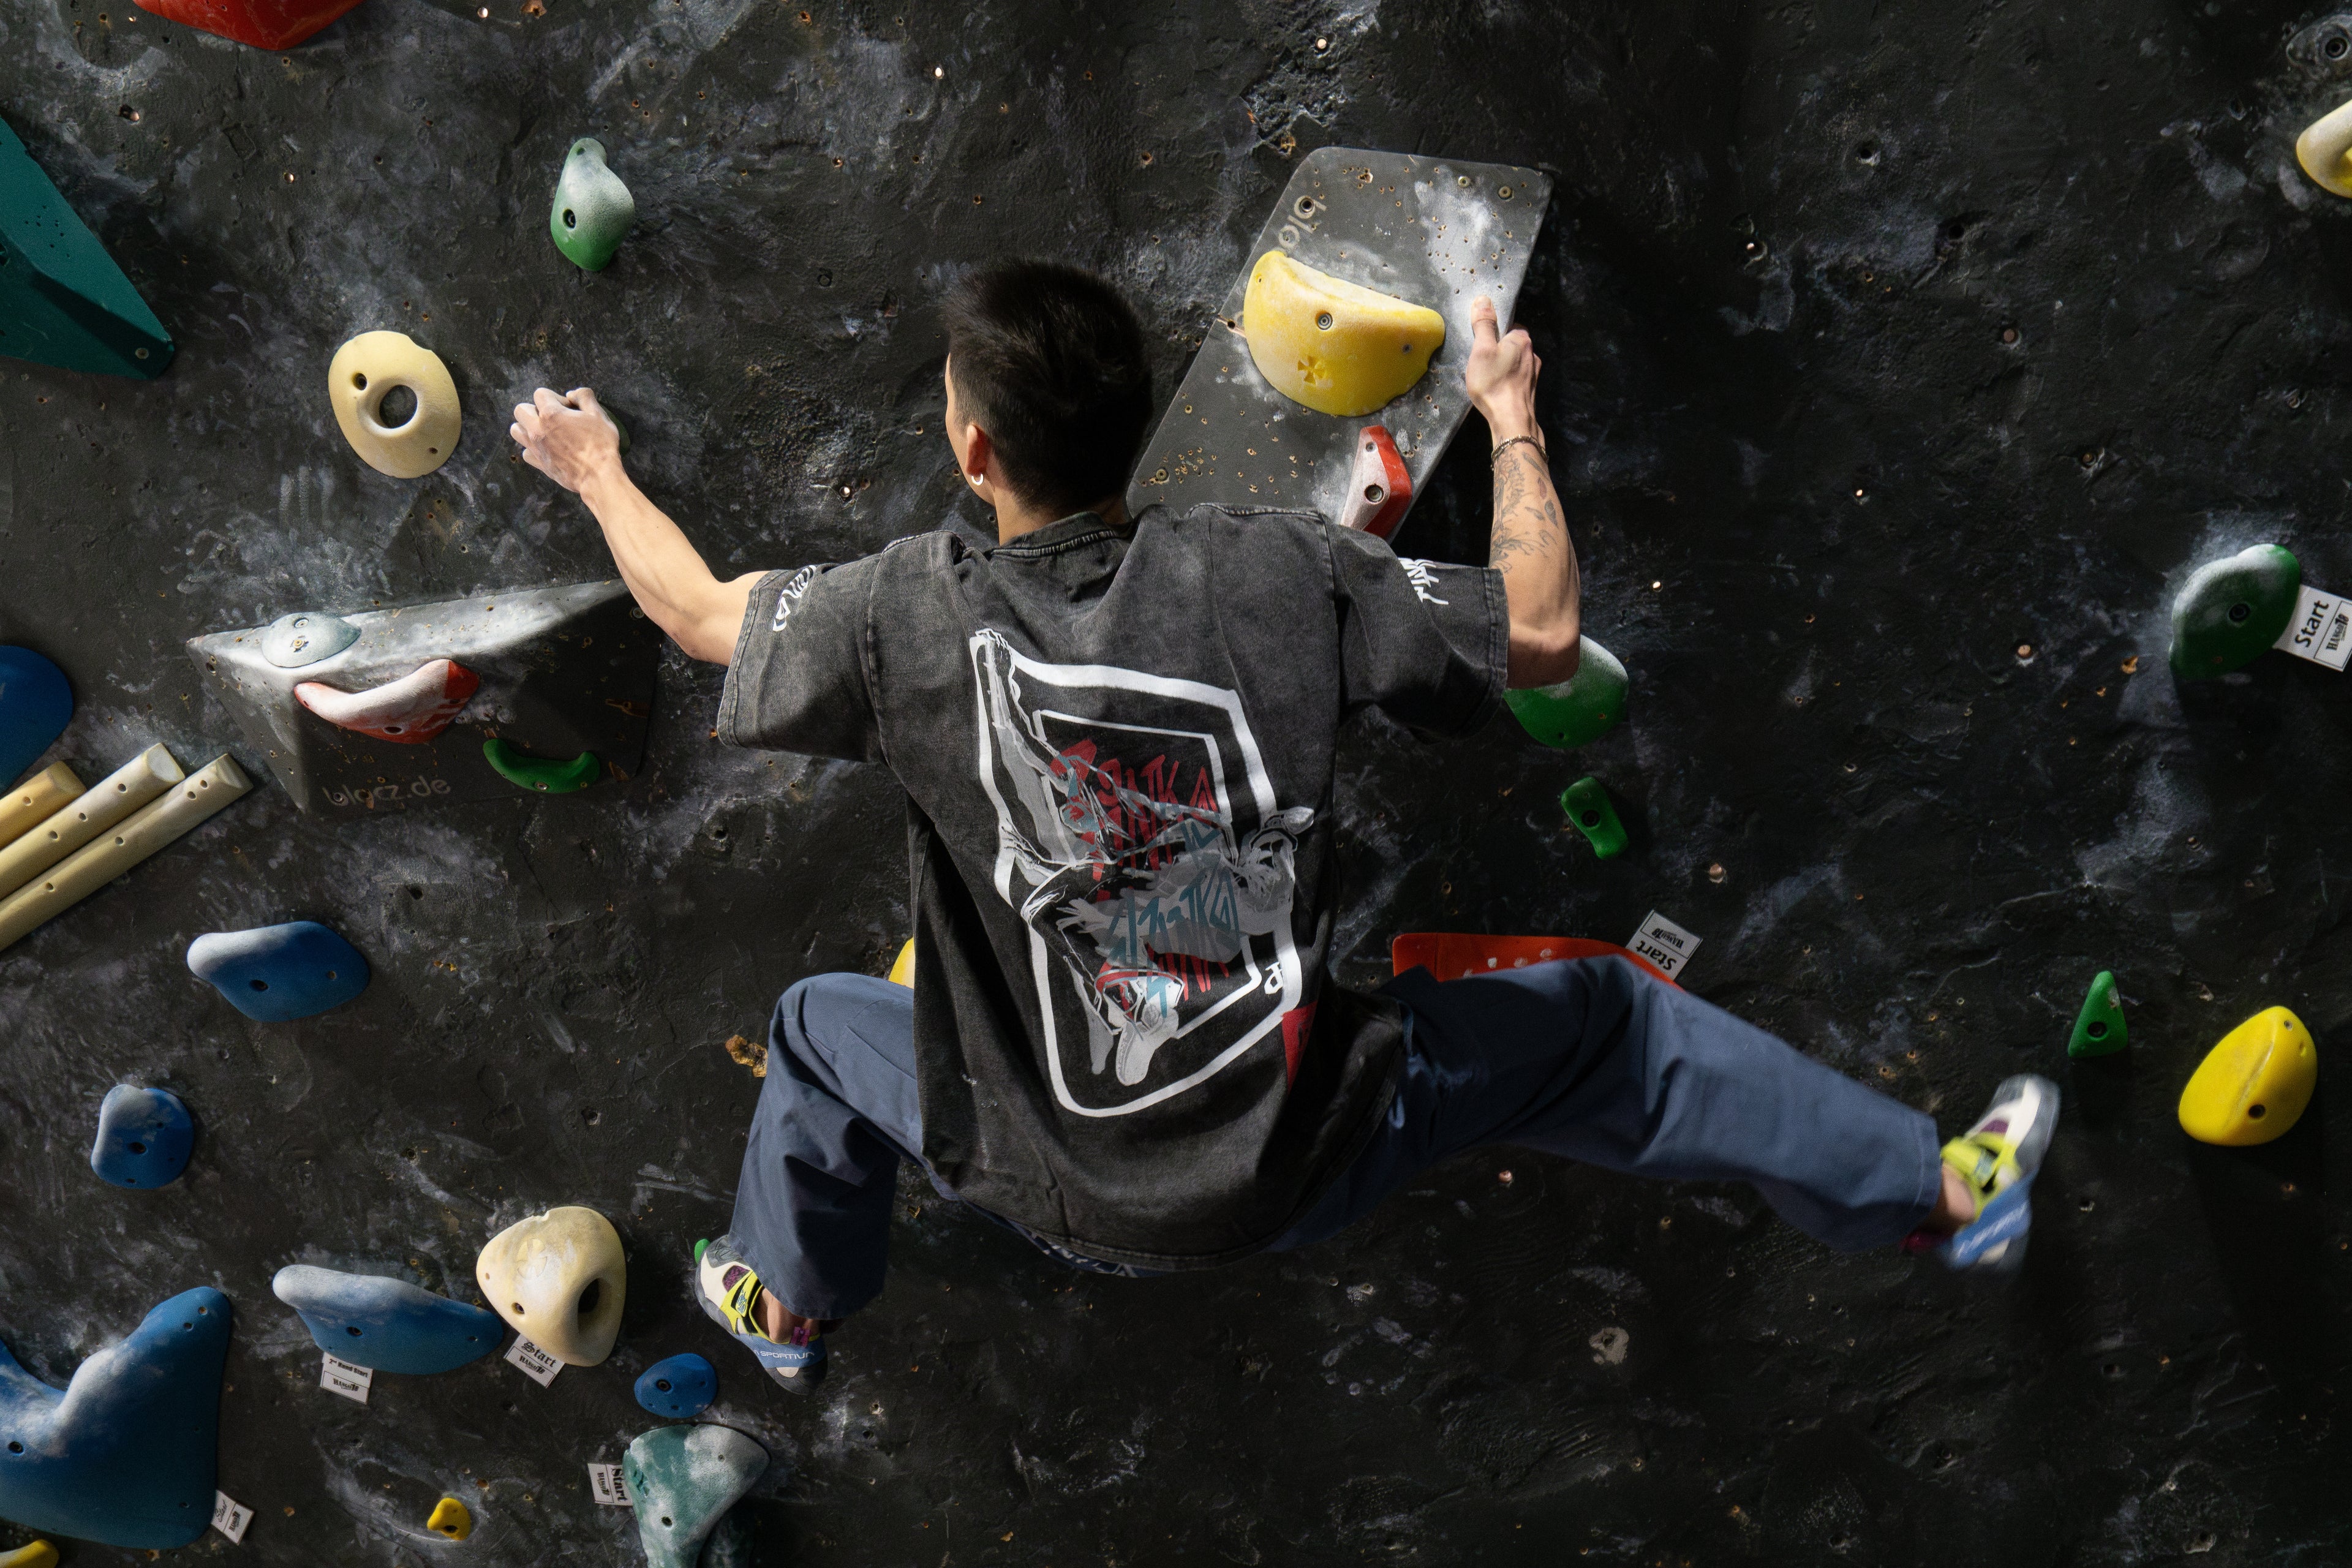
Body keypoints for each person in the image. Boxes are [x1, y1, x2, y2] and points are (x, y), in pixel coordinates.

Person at [508, 260, 2057, 1395]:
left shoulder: (897, 613)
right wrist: (1511, 419)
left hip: (1043, 1170)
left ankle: (788, 1303)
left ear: (975, 453)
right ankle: (1934, 1196)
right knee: (1613, 1027)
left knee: (812, 1029)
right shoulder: (1278, 570)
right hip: (1306, 1157)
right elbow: (1541, 628)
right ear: (1140, 425)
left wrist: (596, 469)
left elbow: (694, 611)